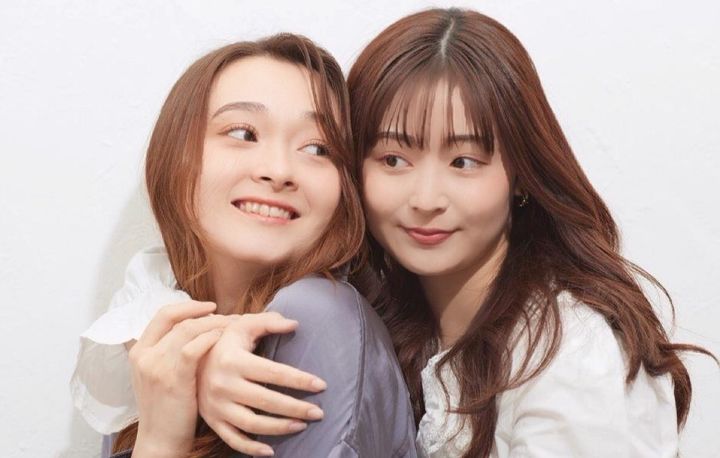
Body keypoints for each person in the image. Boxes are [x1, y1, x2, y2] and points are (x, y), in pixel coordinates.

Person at [73, 8, 714, 458]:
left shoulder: (573, 354)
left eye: (464, 161)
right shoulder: (385, 303)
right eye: (393, 158)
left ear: (521, 174)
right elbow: (147, 295)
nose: (426, 199)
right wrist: (188, 377)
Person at [71, 33, 416, 458]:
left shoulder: (317, 316)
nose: (278, 170)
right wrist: (160, 434)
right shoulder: (154, 335)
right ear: (176, 157)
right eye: (243, 133)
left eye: (317, 148)